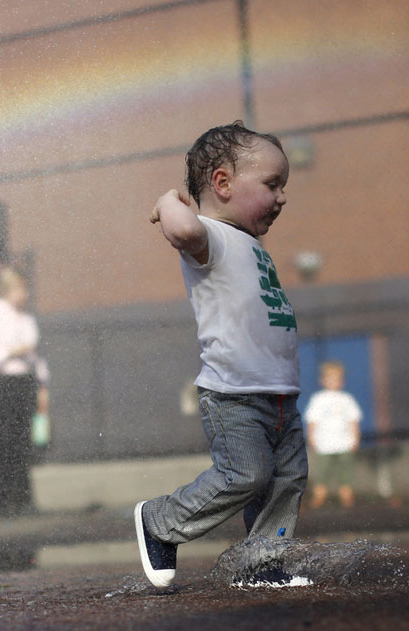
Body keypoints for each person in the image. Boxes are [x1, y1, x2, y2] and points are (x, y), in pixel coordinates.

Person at [138, 121, 307, 588]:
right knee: (246, 475)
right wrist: (167, 201)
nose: (282, 197)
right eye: (272, 184)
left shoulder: (249, 244)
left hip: (278, 396)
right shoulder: (208, 237)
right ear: (222, 183)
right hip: (234, 394)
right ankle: (160, 521)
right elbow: (181, 228)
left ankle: (262, 565)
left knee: (285, 482)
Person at [0, 267, 50, 518]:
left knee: (22, 441)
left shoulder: (26, 319)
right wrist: (11, 353)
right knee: (1, 441)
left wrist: (42, 385)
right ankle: (3, 502)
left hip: (23, 381)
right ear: (7, 290)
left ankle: (24, 500)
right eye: (20, 288)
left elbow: (36, 355)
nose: (24, 294)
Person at [304, 361, 363, 509]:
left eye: (336, 379)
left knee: (346, 473)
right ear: (322, 380)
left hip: (345, 444)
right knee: (321, 473)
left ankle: (347, 499)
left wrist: (355, 438)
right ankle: (318, 498)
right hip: (324, 445)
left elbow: (353, 420)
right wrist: (311, 437)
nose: (333, 382)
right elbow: (312, 421)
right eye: (329, 378)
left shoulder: (346, 399)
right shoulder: (318, 399)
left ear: (342, 381)